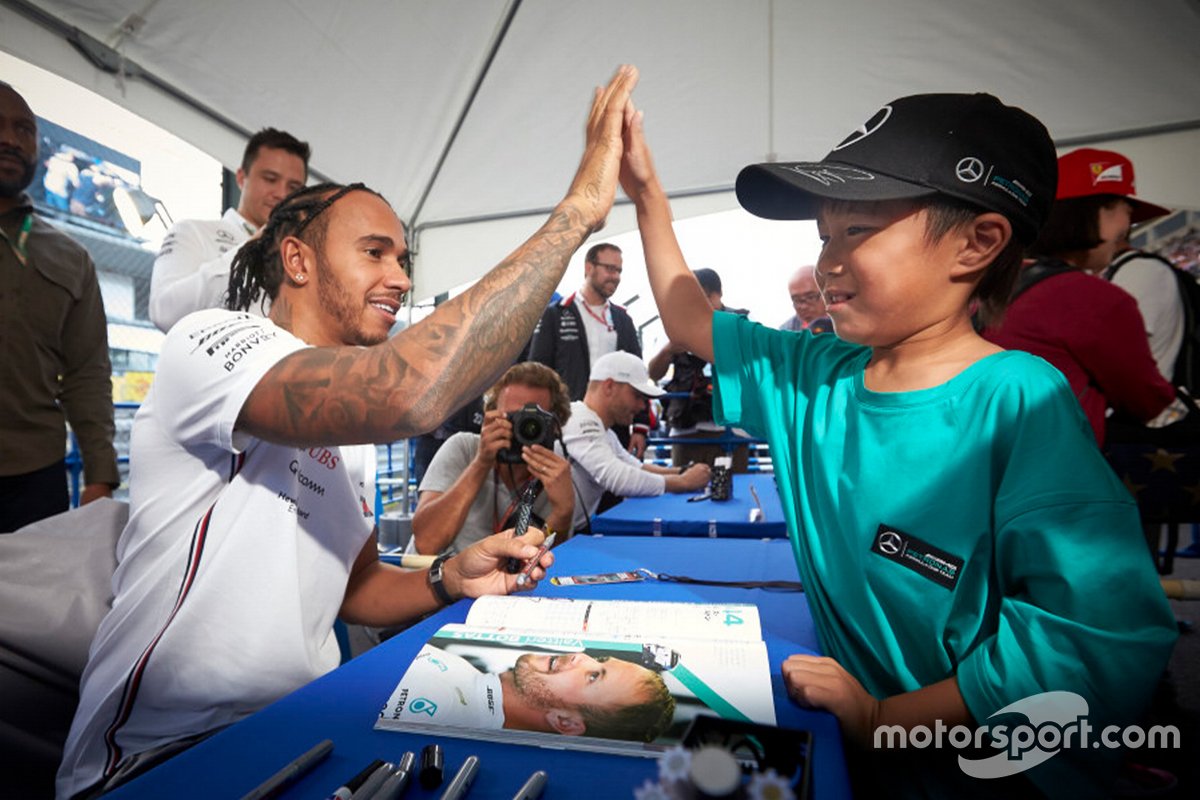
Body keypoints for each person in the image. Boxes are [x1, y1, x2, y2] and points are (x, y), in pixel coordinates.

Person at [56, 65, 640, 800]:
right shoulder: (212, 341)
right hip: (162, 758)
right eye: (375, 252)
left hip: (301, 732)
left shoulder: (356, 429)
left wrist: (445, 578)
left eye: (403, 257)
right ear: (296, 258)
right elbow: (409, 391)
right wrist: (580, 209)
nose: (398, 275)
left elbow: (355, 584)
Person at [619, 91, 1178, 797]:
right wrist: (646, 197)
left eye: (856, 229)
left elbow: (1093, 635)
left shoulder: (1018, 400)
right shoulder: (813, 372)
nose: (828, 260)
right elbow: (691, 318)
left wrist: (887, 718)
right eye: (824, 236)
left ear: (978, 243)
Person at [983, 149, 1177, 445]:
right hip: (1055, 473)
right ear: (1097, 211)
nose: (1128, 228)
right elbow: (1148, 401)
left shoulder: (989, 276)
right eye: (1127, 209)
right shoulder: (1096, 298)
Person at [0, 81, 118, 533]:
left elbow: (87, 373)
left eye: (24, 129)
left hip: (36, 482)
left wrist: (100, 475)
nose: (11, 138)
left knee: (32, 604)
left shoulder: (70, 257)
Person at [148, 127, 310, 331]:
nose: (281, 193)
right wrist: (251, 248)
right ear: (242, 178)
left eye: (294, 188)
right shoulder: (192, 232)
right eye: (270, 179)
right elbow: (164, 312)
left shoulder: (300, 259)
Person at [410, 362, 575, 555]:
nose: (522, 428)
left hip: (503, 581)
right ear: (491, 414)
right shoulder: (465, 448)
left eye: (534, 420)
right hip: (437, 575)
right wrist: (481, 462)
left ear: (555, 424)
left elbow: (541, 566)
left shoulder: (555, 475)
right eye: (512, 417)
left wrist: (562, 515)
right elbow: (426, 544)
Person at [400, 644, 675, 742]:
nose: (580, 657)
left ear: (565, 722)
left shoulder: (448, 720)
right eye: (600, 659)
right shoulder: (467, 676)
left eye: (593, 677)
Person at [528, 242, 651, 457]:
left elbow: (638, 375)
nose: (615, 276)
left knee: (615, 487)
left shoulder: (622, 319)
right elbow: (536, 374)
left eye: (619, 271)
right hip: (567, 429)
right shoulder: (555, 315)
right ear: (588, 267)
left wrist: (640, 427)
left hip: (615, 430)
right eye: (610, 269)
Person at [562, 351, 710, 528]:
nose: (641, 406)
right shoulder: (579, 420)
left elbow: (634, 466)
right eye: (637, 396)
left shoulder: (602, 430)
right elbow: (618, 478)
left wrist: (683, 471)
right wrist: (684, 482)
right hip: (549, 539)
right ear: (609, 386)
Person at [648, 268, 751, 471]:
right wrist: (668, 351)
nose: (695, 305)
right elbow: (653, 373)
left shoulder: (741, 325)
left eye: (703, 298)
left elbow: (756, 370)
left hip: (732, 430)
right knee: (684, 495)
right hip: (685, 431)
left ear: (718, 294)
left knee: (734, 493)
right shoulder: (673, 327)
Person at [779, 264, 832, 333]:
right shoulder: (788, 331)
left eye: (810, 297)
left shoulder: (846, 326)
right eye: (797, 300)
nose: (803, 306)